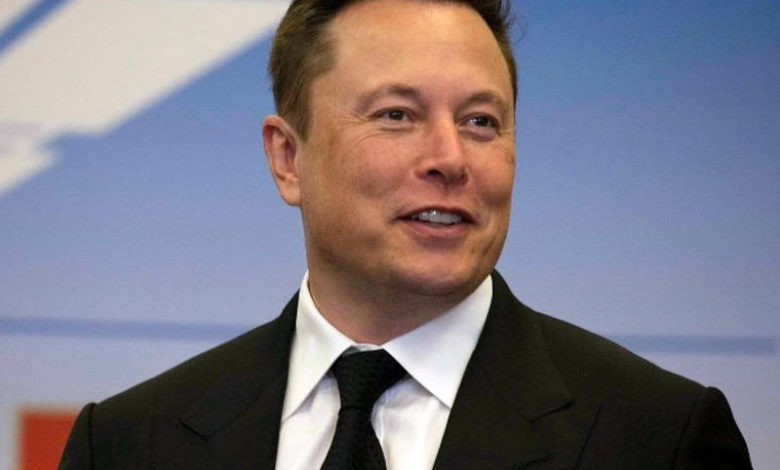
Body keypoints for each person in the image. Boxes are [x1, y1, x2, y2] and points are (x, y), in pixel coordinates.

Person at [58, 0, 752, 468]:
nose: (450, 158)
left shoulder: (659, 437)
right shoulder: (125, 444)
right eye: (397, 115)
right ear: (288, 158)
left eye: (480, 121)